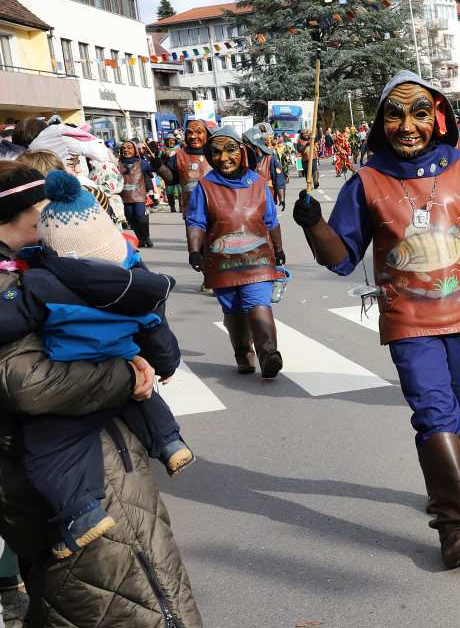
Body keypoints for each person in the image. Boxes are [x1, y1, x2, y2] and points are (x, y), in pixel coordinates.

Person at [293, 70, 460, 569]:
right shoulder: (366, 181)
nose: (407, 124)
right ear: (381, 122)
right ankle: (455, 527)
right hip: (408, 321)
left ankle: (452, 489)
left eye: (420, 112)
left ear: (438, 117)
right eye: (395, 113)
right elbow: (340, 257)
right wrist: (314, 224)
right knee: (432, 412)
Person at [0, 162, 202, 627]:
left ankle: (166, 439)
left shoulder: (40, 267)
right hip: (67, 477)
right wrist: (126, 376)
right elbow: (27, 384)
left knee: (144, 586)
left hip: (112, 462)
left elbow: (154, 339)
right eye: (43, 208)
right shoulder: (20, 279)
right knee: (120, 598)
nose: (52, 218)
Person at [185, 127, 286, 379]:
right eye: (216, 152)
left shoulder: (259, 184)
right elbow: (196, 221)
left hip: (259, 259)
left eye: (230, 150)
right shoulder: (204, 187)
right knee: (233, 310)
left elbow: (271, 221)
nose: (223, 157)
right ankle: (244, 355)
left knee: (257, 301)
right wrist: (195, 250)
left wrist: (280, 248)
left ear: (242, 152)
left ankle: (269, 353)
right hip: (222, 263)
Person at [117, 140, 171, 249]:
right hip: (125, 196)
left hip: (138, 196)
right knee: (131, 218)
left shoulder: (141, 163)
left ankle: (147, 237)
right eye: (124, 148)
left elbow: (154, 168)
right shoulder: (118, 164)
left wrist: (158, 160)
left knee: (140, 217)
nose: (126, 150)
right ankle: (140, 239)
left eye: (129, 148)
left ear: (135, 150)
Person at [165, 118, 214, 215]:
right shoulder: (179, 156)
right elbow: (171, 180)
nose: (193, 136)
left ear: (207, 135)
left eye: (199, 132)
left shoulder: (216, 154)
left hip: (214, 208)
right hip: (191, 210)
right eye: (189, 132)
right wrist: (158, 166)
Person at [243, 123, 287, 208]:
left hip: (267, 198)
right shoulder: (245, 159)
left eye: (248, 144)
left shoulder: (270, 158)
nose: (246, 146)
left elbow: (279, 178)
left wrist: (281, 198)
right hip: (249, 199)